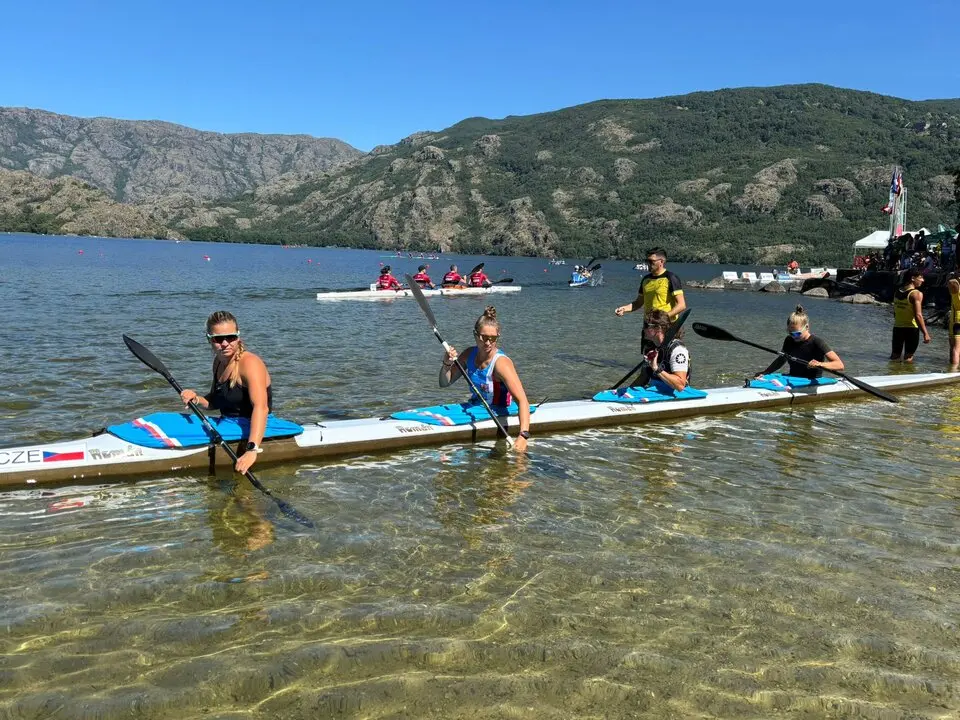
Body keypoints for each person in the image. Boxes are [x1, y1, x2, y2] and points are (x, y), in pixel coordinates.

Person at [180, 311, 272, 474]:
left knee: (185, 432)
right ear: (209, 339)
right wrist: (196, 399)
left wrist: (252, 450)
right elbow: (215, 402)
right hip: (228, 422)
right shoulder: (218, 362)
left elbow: (261, 408)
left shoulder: (250, 363)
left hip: (253, 425)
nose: (225, 343)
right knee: (177, 421)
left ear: (238, 337)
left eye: (230, 337)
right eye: (218, 339)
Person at [439, 306, 531, 452]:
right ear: (475, 335)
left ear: (497, 337)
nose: (488, 342)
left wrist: (523, 435)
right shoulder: (468, 354)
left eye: (493, 338)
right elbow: (444, 383)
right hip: (476, 406)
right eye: (483, 337)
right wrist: (446, 364)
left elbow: (523, 401)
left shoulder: (501, 364)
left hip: (500, 410)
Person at [755, 305, 844, 379]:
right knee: (759, 377)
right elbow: (781, 359)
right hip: (793, 378)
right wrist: (766, 372)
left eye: (797, 333)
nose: (794, 336)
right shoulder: (789, 340)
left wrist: (820, 364)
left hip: (811, 380)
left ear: (807, 327)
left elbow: (839, 365)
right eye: (790, 333)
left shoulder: (817, 342)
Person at [614, 247, 686, 322]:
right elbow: (638, 303)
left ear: (661, 261)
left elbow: (681, 305)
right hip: (648, 325)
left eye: (651, 261)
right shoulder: (646, 279)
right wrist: (624, 309)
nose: (648, 263)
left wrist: (664, 317)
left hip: (667, 326)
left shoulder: (671, 277)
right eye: (647, 261)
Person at [641, 310, 690, 392]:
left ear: (658, 328)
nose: (643, 328)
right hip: (654, 390)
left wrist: (656, 368)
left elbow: (680, 385)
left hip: (675, 394)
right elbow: (643, 377)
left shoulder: (677, 349)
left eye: (646, 325)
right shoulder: (650, 347)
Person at [890, 270, 930, 362]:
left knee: (894, 356)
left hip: (897, 328)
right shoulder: (916, 294)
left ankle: (892, 373)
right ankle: (907, 373)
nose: (923, 280)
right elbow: (918, 315)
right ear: (912, 278)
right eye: (920, 277)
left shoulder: (897, 292)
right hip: (911, 329)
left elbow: (895, 312)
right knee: (908, 358)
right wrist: (925, 333)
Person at [948, 274, 960, 369]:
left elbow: (951, 282)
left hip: (957, 319)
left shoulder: (955, 283)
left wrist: (956, 276)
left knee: (955, 348)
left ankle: (953, 371)